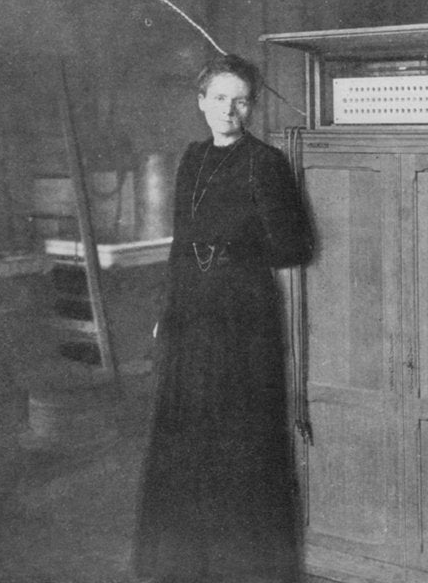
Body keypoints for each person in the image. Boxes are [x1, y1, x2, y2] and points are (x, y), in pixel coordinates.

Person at [133, 54, 314, 583]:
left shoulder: (267, 163)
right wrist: (168, 313)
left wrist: (285, 336)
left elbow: (290, 253)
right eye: (218, 98)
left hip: (243, 316)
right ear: (201, 102)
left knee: (240, 440)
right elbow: (181, 243)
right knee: (186, 436)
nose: (229, 110)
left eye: (240, 100)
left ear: (251, 106)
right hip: (191, 312)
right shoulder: (191, 157)